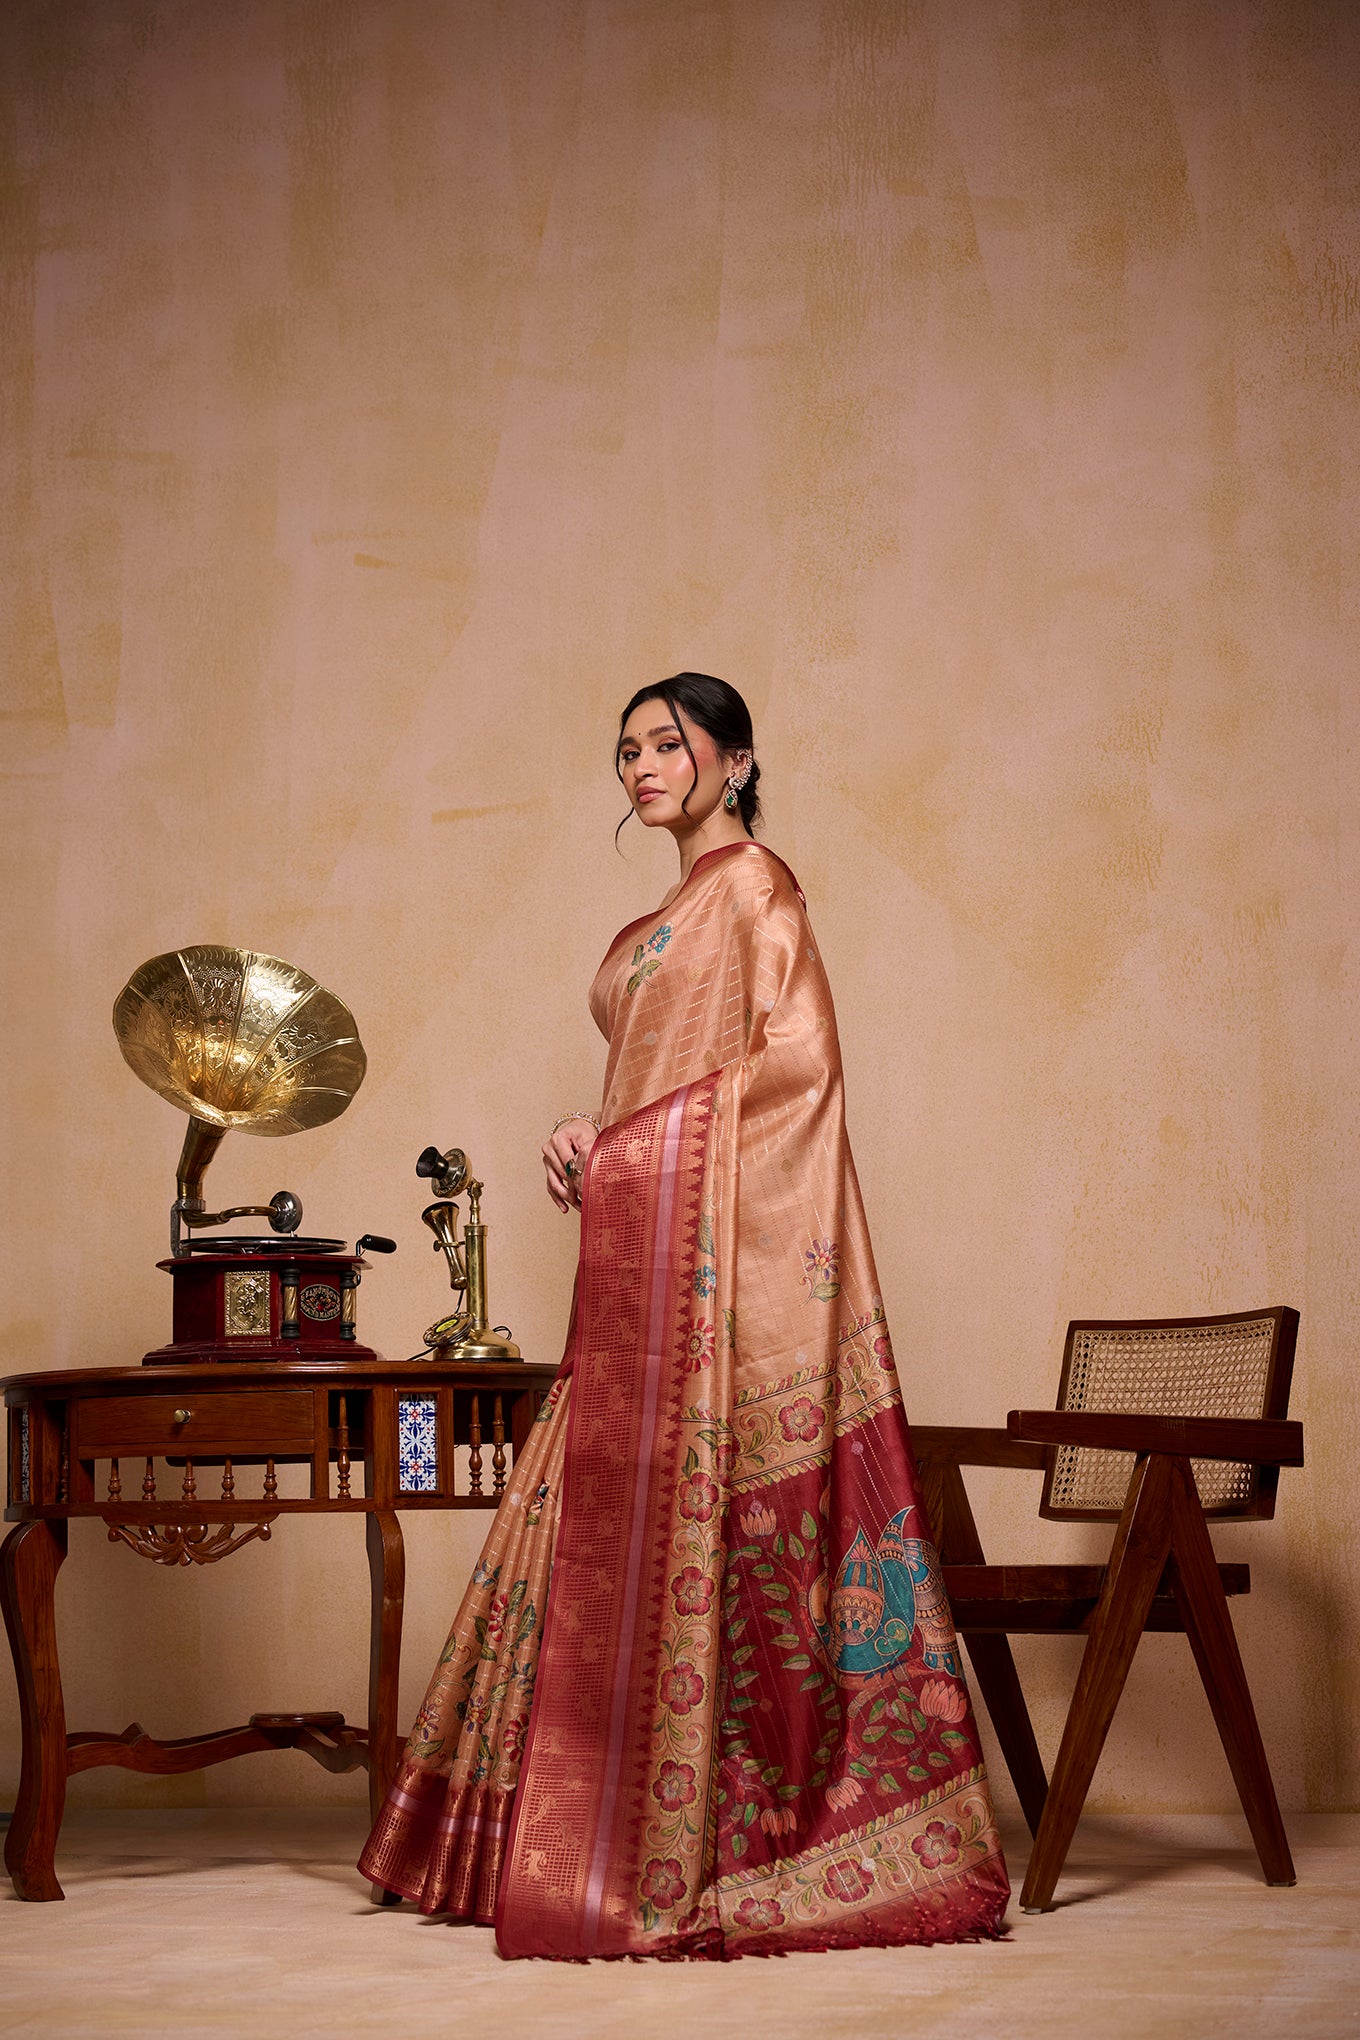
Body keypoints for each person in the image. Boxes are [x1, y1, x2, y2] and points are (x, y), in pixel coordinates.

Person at [359, 673, 1009, 1957]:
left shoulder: (755, 887)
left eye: (668, 744)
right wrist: (587, 1135)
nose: (643, 767)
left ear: (735, 761)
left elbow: (797, 1068)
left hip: (729, 1293)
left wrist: (632, 1150)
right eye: (626, 752)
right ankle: (556, 1834)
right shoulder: (654, 923)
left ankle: (719, 1840)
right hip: (638, 1285)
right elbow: (654, 1082)